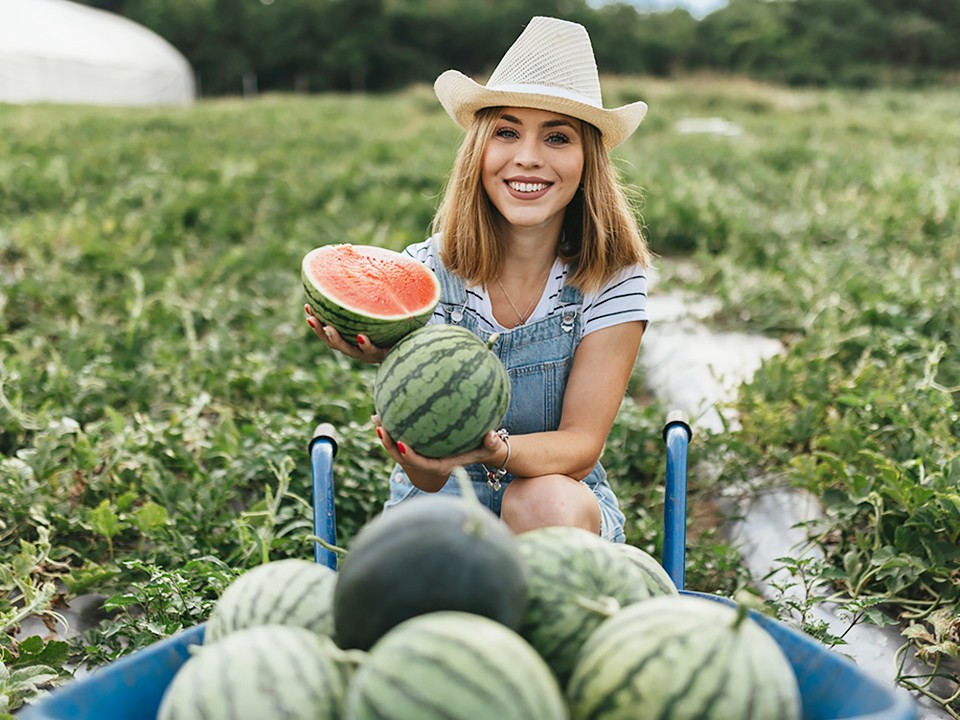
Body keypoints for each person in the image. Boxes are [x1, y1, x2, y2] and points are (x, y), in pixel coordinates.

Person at [305, 16, 652, 543]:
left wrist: (496, 451)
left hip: (556, 502)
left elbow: (581, 447)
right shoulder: (426, 272)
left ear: (588, 161)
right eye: (507, 132)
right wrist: (399, 370)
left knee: (543, 497)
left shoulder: (612, 277)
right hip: (439, 501)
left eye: (557, 137)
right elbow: (426, 475)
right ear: (479, 149)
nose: (528, 158)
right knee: (440, 533)